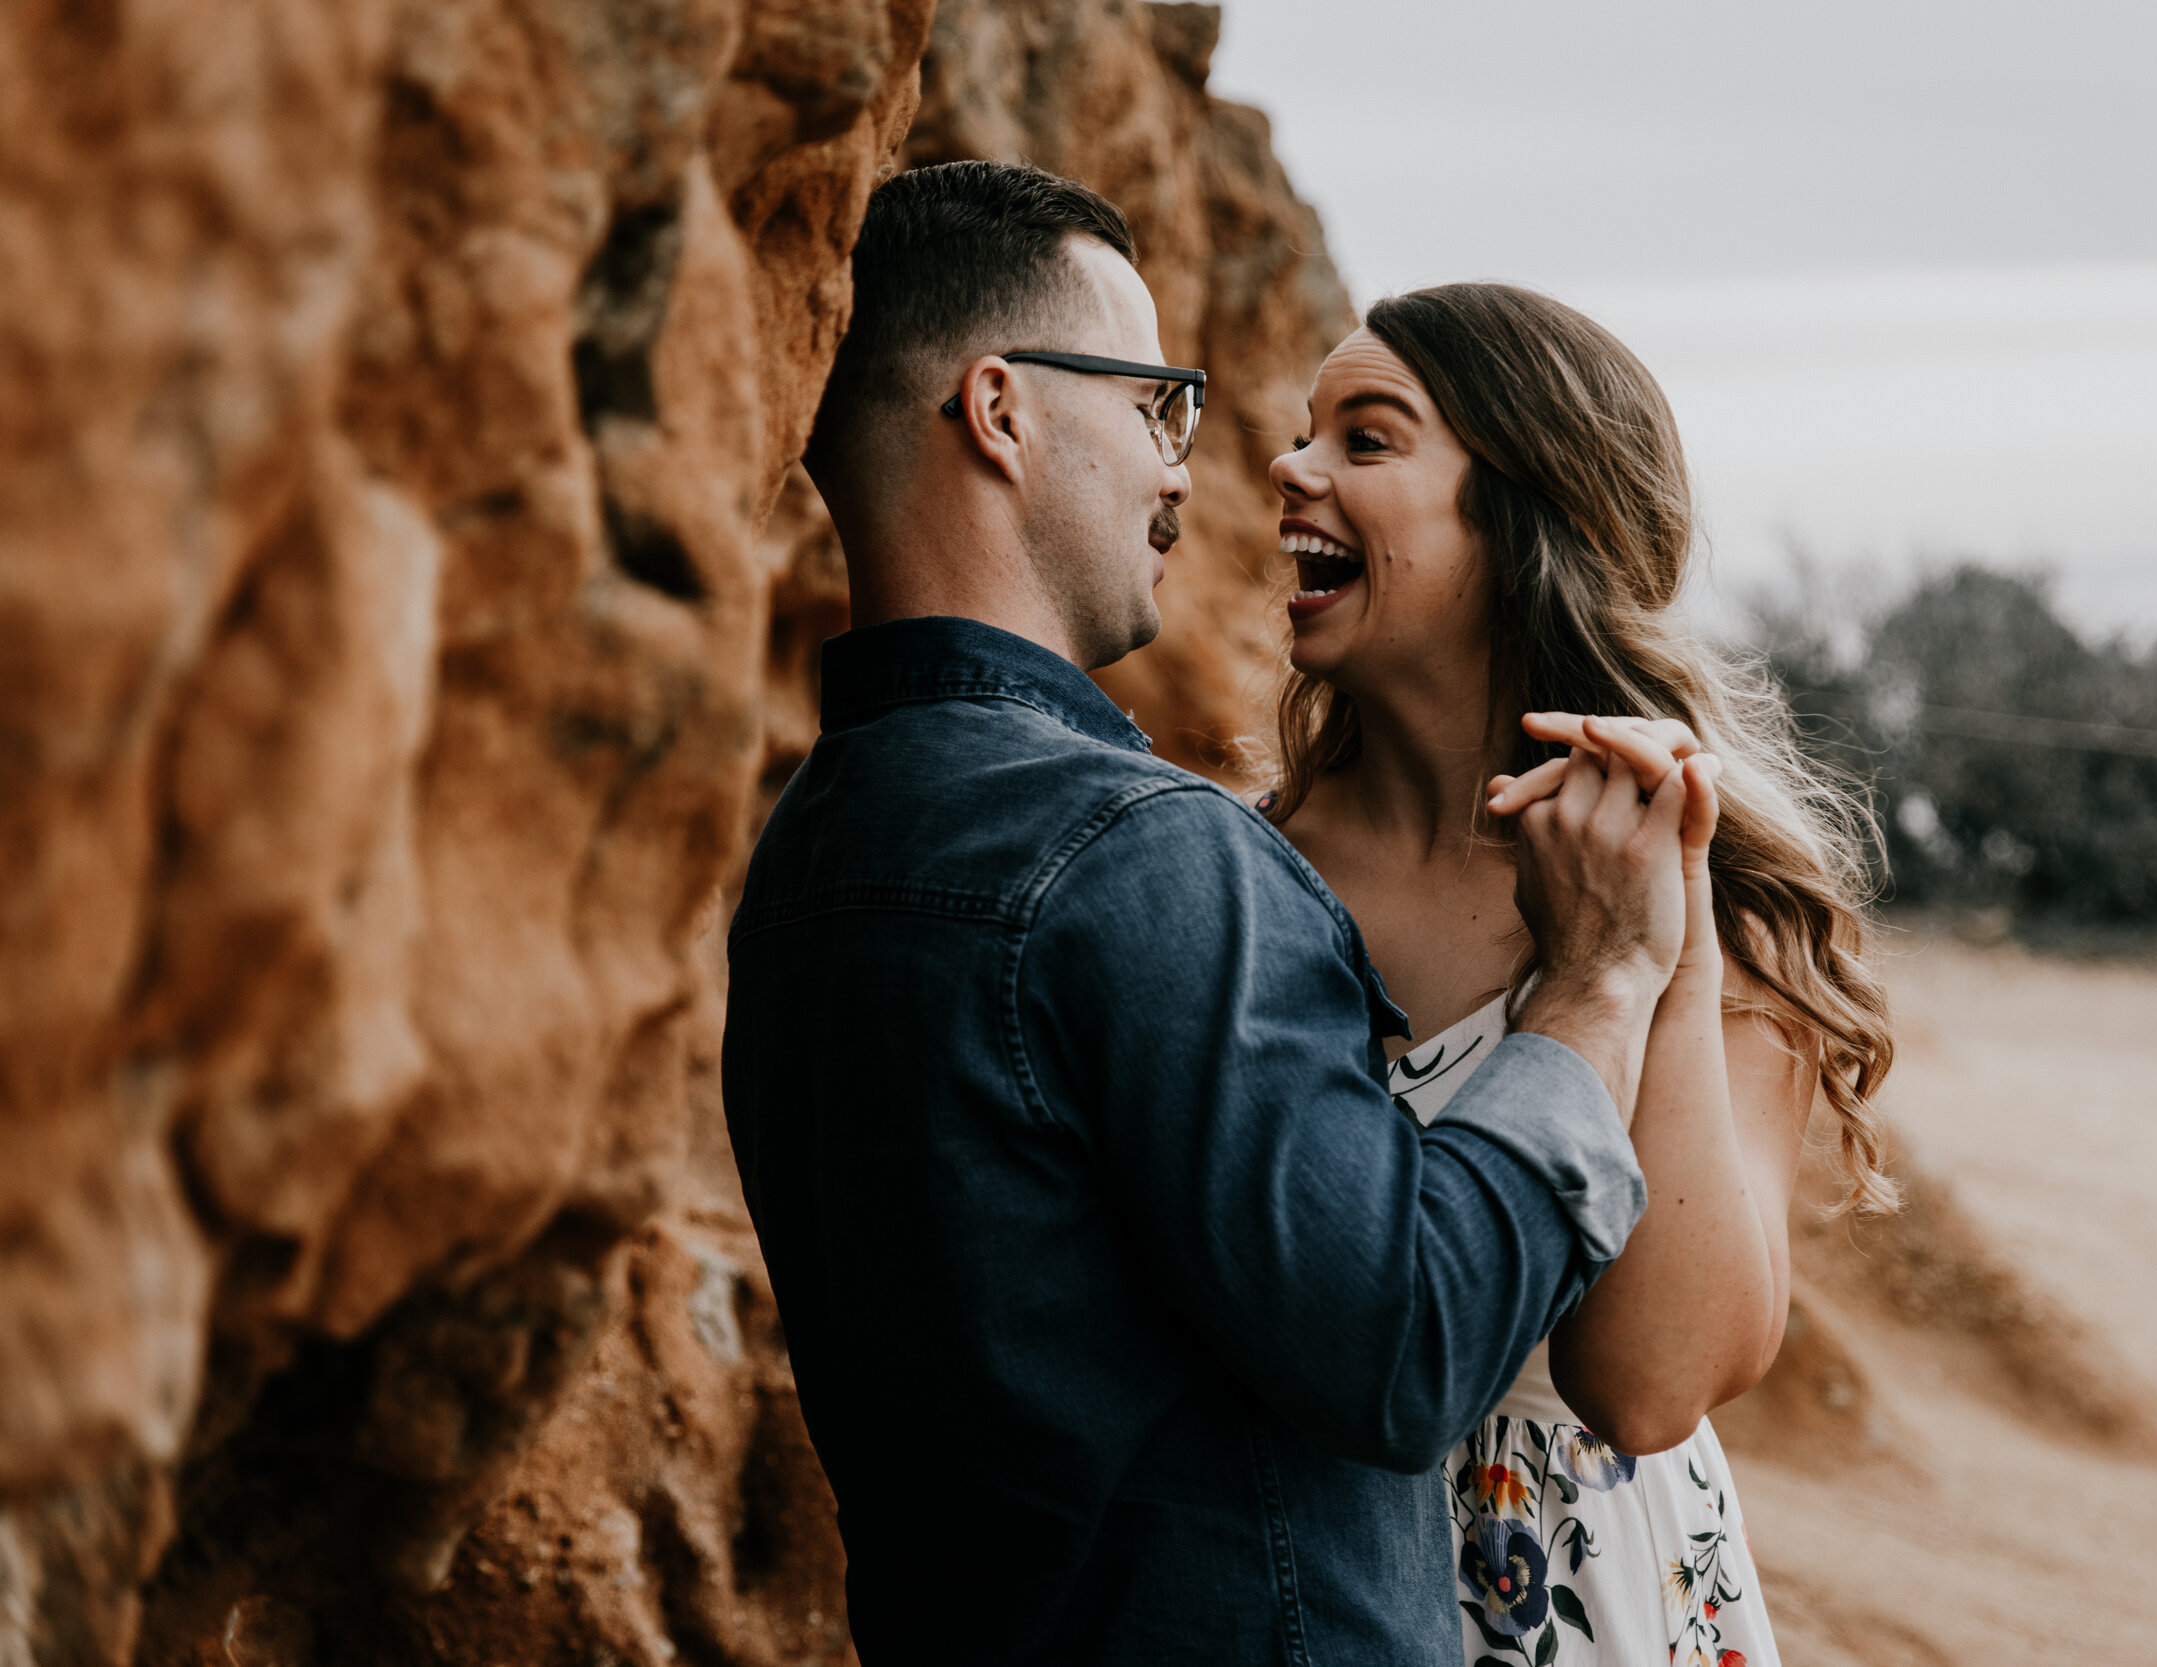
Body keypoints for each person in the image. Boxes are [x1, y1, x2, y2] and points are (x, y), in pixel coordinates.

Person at [723, 161, 1714, 1664]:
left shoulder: (803, 858)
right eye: (1150, 409)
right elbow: (1409, 1342)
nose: (1190, 472)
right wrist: (1601, 980)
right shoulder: (1142, 854)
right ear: (1000, 411)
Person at [1260, 283, 1898, 1666]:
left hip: (1601, 1610)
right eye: (1307, 434)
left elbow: (1654, 1382)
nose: (1289, 469)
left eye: (1366, 441)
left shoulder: (1730, 894)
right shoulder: (1245, 876)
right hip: (1305, 1585)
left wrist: (1646, 954)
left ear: (1521, 517)